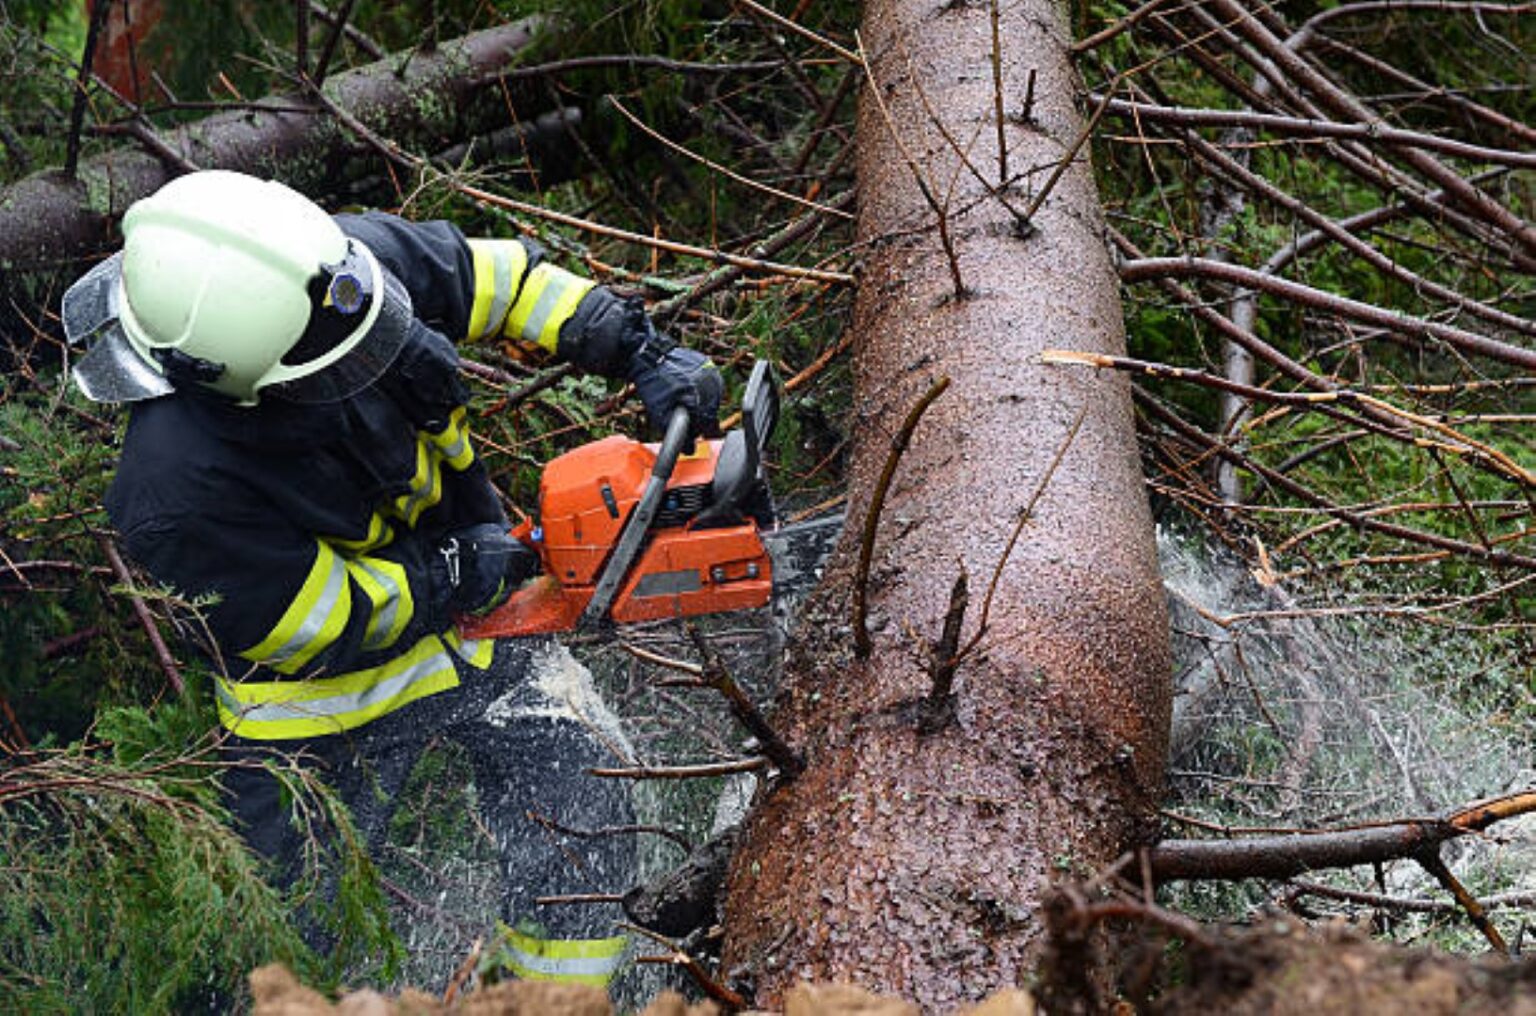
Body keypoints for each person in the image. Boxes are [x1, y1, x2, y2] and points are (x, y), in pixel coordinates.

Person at [61, 169, 723, 987]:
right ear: (226, 383)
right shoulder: (172, 489)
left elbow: (497, 279)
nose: (363, 368)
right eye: (327, 374)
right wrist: (451, 572)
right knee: (283, 940)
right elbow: (312, 620)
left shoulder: (336, 272)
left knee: (585, 810)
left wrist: (631, 344)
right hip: (318, 712)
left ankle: (550, 1002)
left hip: (484, 626)